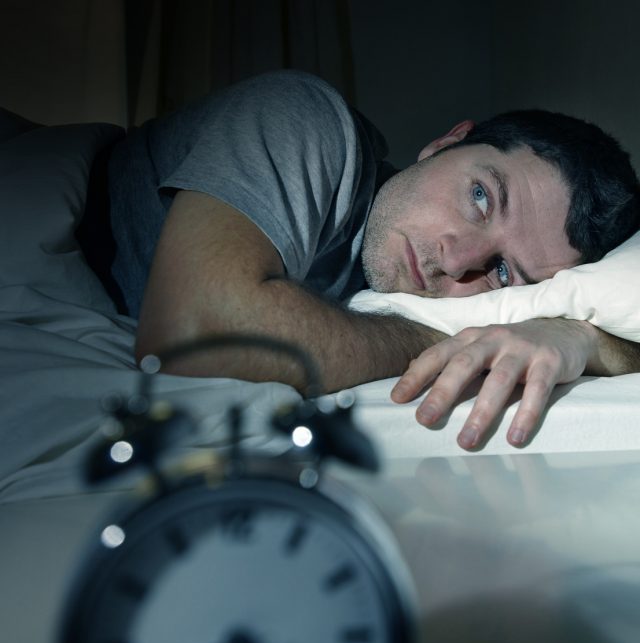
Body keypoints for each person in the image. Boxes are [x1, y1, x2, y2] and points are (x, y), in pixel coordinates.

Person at [106, 70, 640, 450]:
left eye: (502, 273)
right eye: (480, 196)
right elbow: (190, 332)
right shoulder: (304, 117)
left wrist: (578, 337)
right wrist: (443, 333)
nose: (457, 262)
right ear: (445, 143)